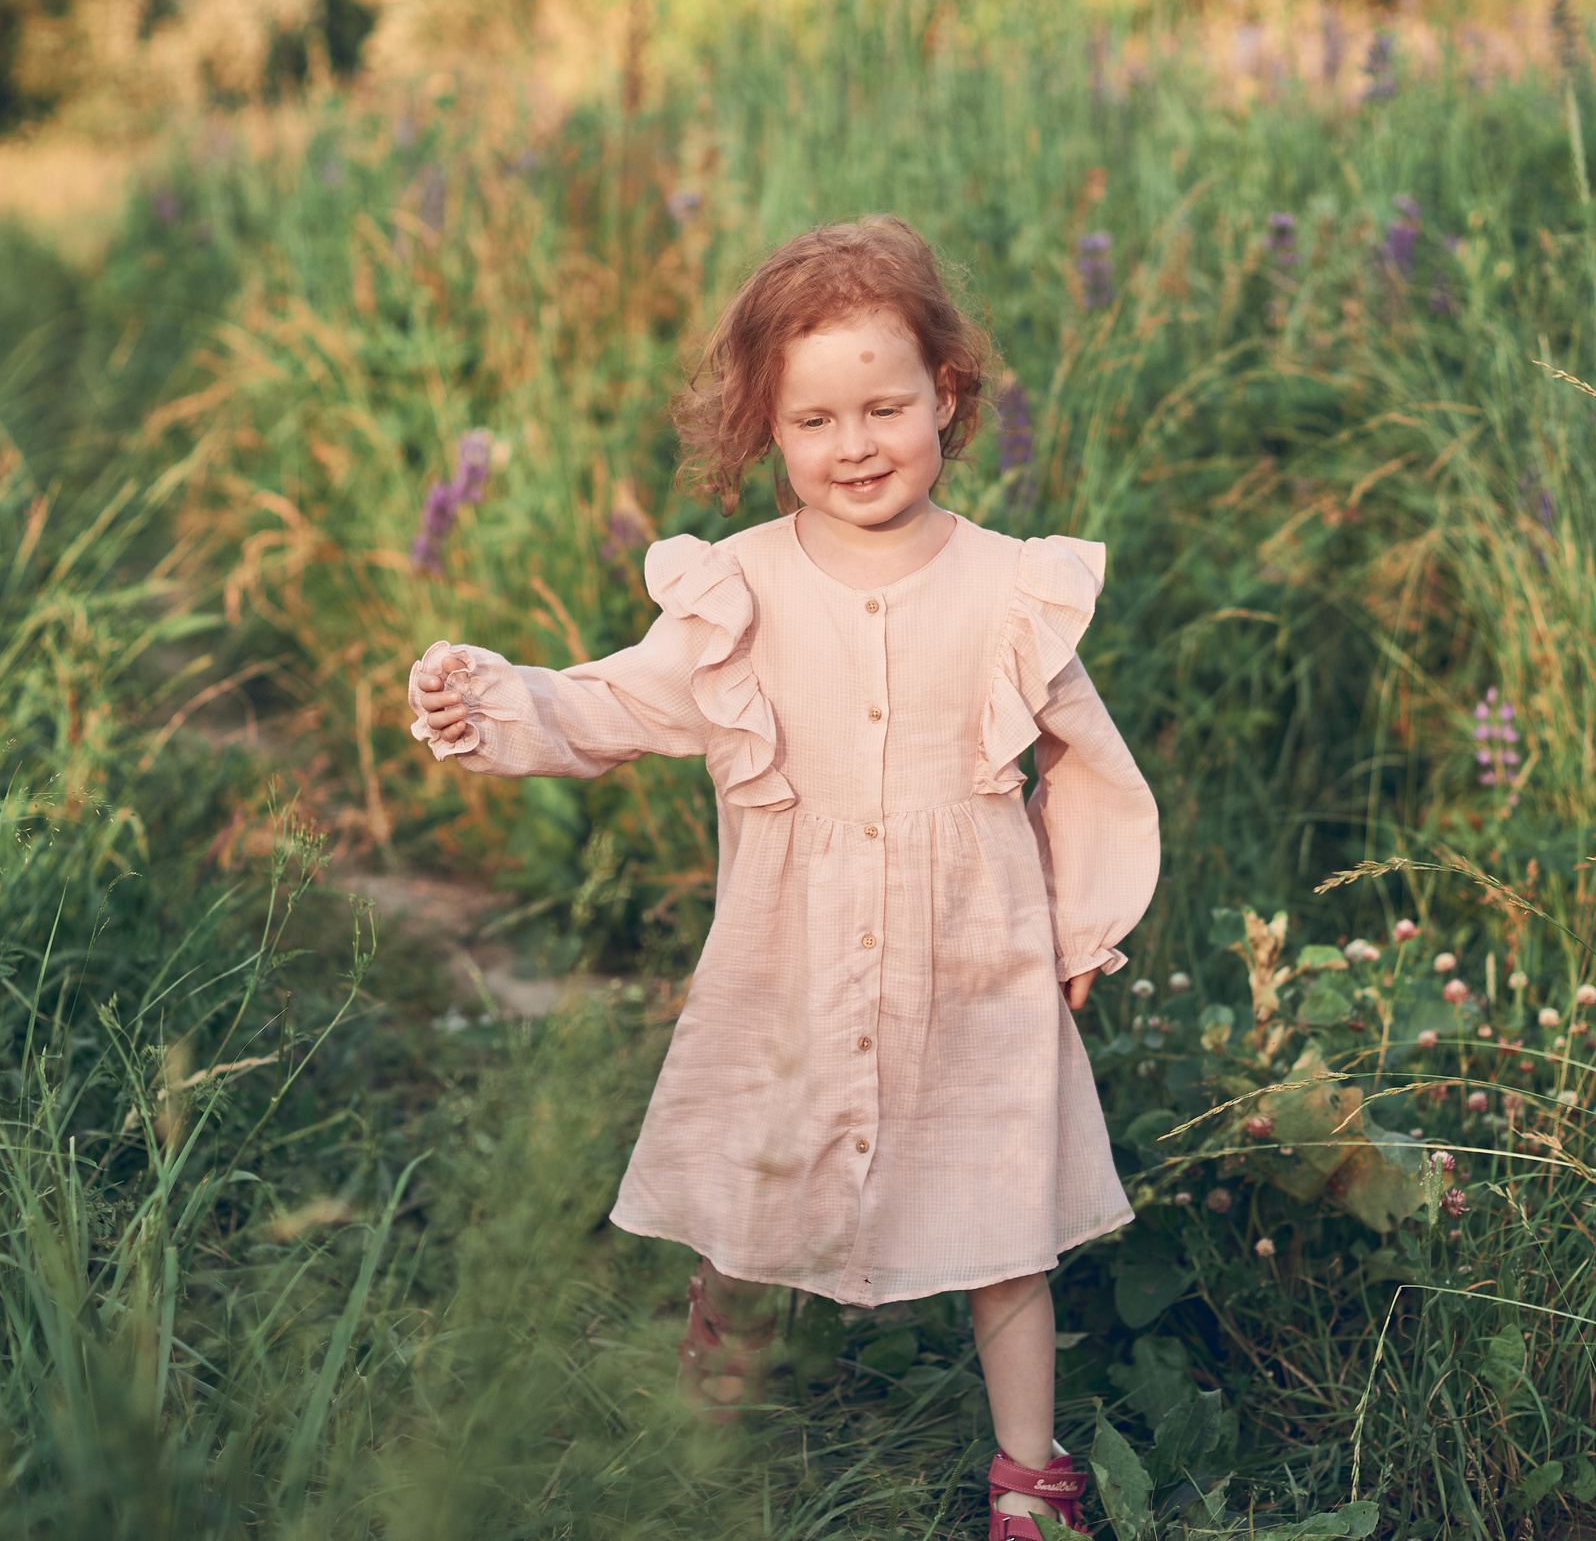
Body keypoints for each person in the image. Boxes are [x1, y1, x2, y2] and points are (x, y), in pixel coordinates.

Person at [407, 215, 1159, 1540]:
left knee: (1003, 1221)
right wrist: (494, 698)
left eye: (885, 406)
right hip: (785, 963)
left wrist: (1078, 930)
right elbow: (608, 708)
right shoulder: (735, 593)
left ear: (950, 397)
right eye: (815, 420)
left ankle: (1027, 1478)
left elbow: (1086, 762)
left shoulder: (1008, 590)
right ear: (767, 426)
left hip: (972, 968)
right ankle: (704, 1441)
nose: (855, 444)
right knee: (750, 1209)